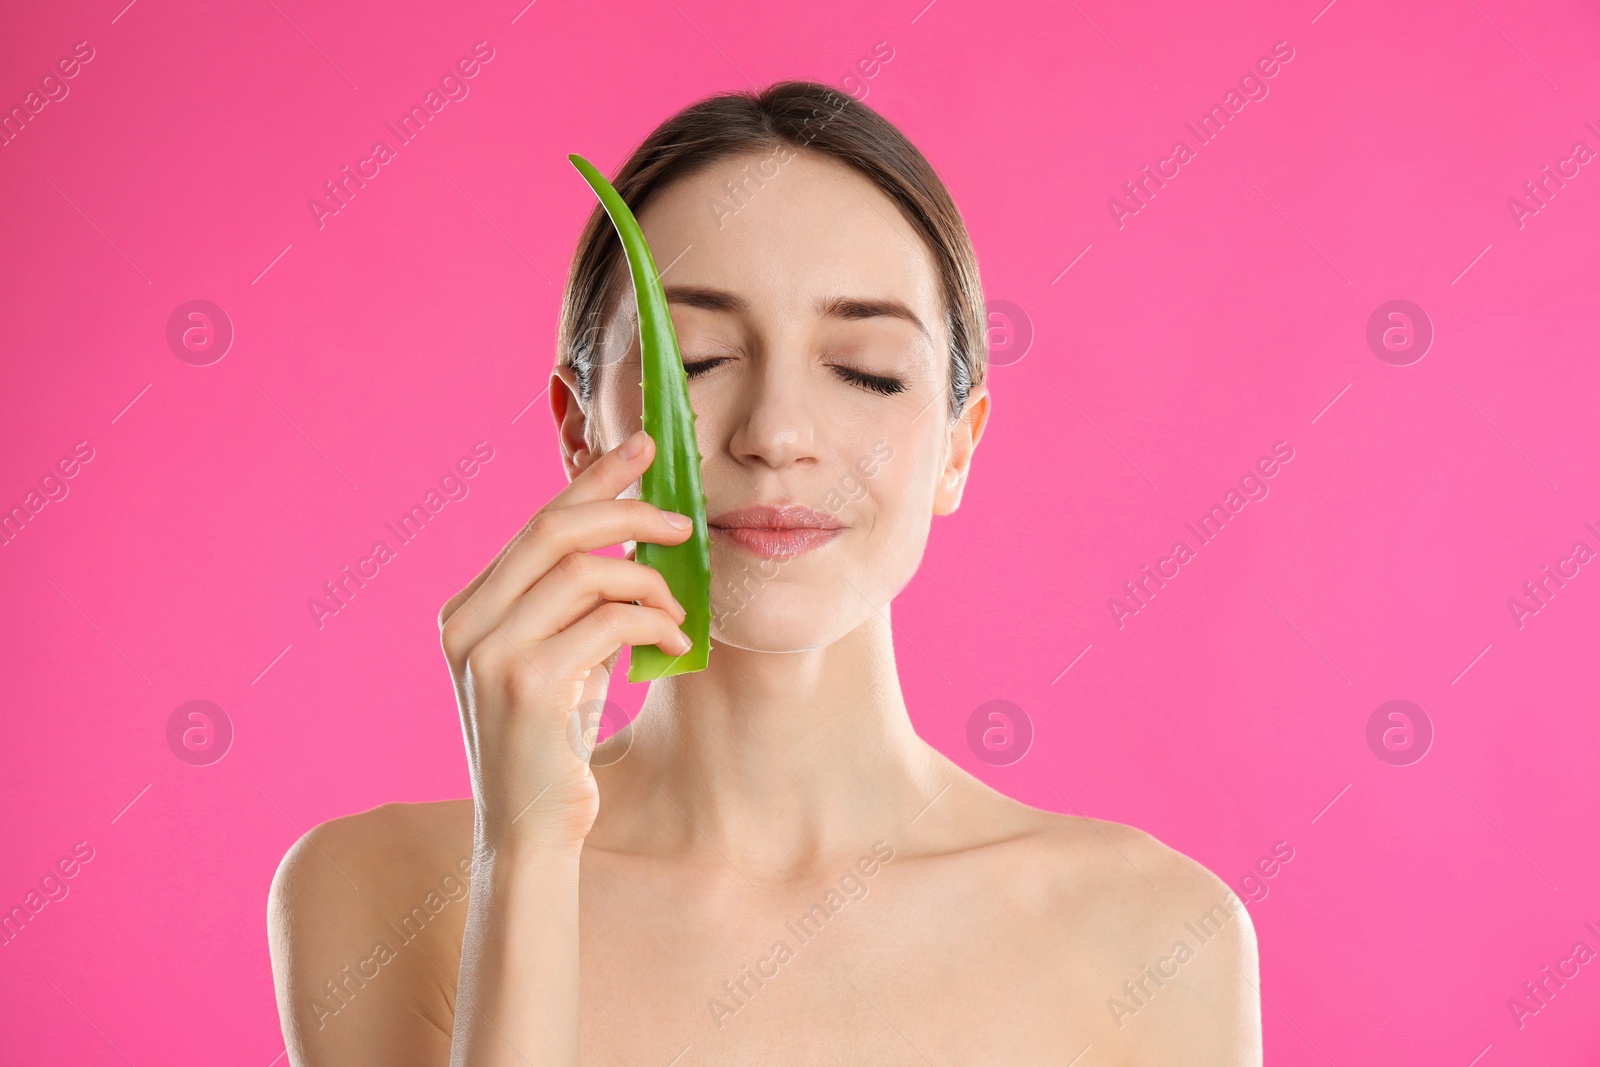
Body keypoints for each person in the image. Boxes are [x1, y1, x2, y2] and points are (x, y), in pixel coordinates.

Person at [268, 80, 1262, 1066]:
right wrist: (523, 853)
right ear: (580, 430)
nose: (775, 433)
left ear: (958, 445)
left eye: (866, 368)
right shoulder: (380, 891)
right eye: (694, 359)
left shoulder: (1158, 934)